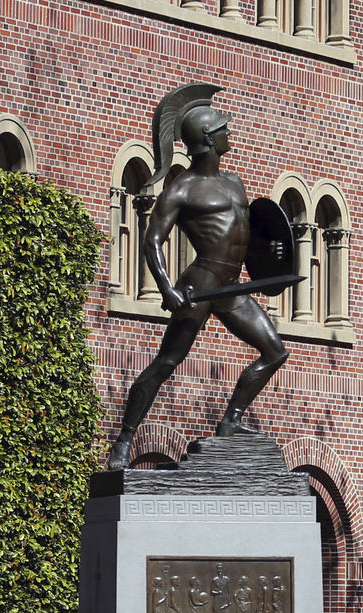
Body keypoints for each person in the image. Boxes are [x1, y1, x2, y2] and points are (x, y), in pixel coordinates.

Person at [105, 87, 289, 470]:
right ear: (207, 139)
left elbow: (247, 235)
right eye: (223, 129)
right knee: (167, 362)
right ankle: (124, 440)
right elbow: (152, 241)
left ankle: (231, 420)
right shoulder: (182, 189)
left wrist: (270, 253)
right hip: (200, 283)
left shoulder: (236, 182)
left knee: (274, 352)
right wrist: (166, 288)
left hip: (234, 286)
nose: (229, 135)